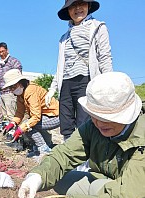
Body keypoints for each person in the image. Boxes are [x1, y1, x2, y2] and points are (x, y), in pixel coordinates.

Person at [18, 72, 145, 198]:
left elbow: (125, 193)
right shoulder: (93, 126)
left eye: (107, 118)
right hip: (110, 187)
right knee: (63, 180)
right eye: (94, 115)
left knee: (105, 193)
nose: (99, 122)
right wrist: (37, 176)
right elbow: (64, 154)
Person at [45, 0, 112, 141]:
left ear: (88, 6)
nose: (77, 9)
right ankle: (70, 155)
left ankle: (86, 158)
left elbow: (104, 56)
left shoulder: (98, 27)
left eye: (81, 4)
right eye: (73, 6)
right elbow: (60, 66)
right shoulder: (64, 38)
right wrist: (52, 88)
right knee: (66, 122)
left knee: (85, 121)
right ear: (68, 11)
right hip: (66, 83)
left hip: (86, 79)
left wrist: (108, 82)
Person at [3, 69, 60, 161]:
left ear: (20, 83)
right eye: (10, 88)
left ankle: (44, 149)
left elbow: (36, 116)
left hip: (55, 116)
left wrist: (21, 128)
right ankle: (41, 147)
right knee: (27, 125)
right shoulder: (21, 94)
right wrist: (13, 123)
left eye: (13, 86)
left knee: (27, 126)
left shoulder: (30, 91)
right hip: (46, 116)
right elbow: (20, 112)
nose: (12, 90)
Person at [0, 42, 22, 126]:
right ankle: (12, 131)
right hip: (2, 93)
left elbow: (18, 74)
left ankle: (16, 134)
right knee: (5, 115)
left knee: (11, 115)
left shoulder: (13, 61)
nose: (1, 53)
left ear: (7, 50)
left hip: (10, 92)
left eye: (3, 51)